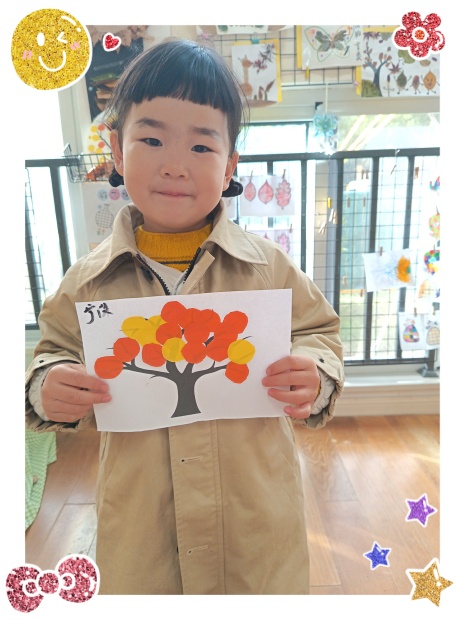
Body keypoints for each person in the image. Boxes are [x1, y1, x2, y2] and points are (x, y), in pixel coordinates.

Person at [25, 38, 344, 595]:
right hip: (142, 531)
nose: (175, 165)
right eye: (151, 139)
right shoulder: (88, 281)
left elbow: (320, 332)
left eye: (201, 146)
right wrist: (45, 387)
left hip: (254, 527)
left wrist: (315, 373)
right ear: (117, 151)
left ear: (230, 165)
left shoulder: (267, 267)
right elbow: (52, 350)